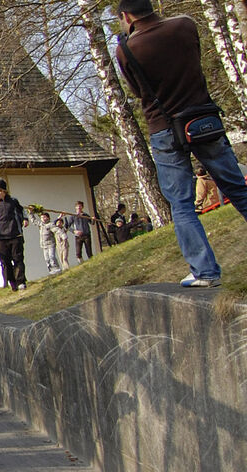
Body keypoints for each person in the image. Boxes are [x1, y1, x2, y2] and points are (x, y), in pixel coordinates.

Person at [116, 0, 247, 287]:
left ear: (126, 16)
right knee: (237, 187)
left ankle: (205, 272)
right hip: (203, 119)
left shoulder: (127, 49)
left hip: (164, 128)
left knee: (182, 203)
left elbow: (138, 91)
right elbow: (196, 59)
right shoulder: (185, 25)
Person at [0, 179, 28, 290]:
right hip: (2, 237)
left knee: (17, 259)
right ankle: (12, 282)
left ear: (4, 191)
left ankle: (20, 281)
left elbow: (22, 211)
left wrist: (25, 219)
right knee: (5, 262)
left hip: (15, 235)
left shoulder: (13, 201)